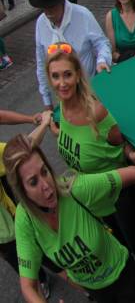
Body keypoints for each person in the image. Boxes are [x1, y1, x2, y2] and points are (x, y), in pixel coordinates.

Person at [35, 47, 135, 301]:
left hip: (117, 189)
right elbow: (70, 138)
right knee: (121, 242)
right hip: (92, 194)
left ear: (78, 75)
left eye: (67, 74)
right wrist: (53, 130)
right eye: (55, 76)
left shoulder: (96, 112)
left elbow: (118, 142)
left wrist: (131, 155)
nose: (62, 83)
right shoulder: (62, 110)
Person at [4, 133, 135, 302]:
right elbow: (28, 286)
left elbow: (132, 174)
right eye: (33, 182)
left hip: (123, 277)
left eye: (44, 171)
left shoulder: (74, 189)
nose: (46, 185)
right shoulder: (25, 219)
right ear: (22, 191)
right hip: (95, 291)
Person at [31, 0, 111, 110]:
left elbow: (102, 43)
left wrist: (102, 60)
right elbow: (41, 63)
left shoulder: (83, 15)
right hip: (64, 97)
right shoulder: (40, 23)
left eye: (52, 7)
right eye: (45, 7)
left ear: (61, 2)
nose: (48, 12)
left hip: (91, 91)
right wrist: (47, 101)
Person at [0, 111, 52, 297]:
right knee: (21, 261)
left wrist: (36, 121)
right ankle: (41, 278)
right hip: (4, 235)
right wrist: (42, 123)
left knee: (43, 250)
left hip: (11, 222)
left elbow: (21, 153)